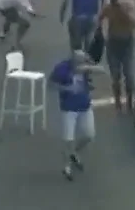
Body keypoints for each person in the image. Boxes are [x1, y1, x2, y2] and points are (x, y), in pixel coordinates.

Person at [50, 50, 108, 181]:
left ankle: (74, 152)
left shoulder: (86, 67)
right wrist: (66, 88)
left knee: (89, 135)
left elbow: (102, 70)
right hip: (69, 108)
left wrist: (88, 66)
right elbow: (51, 84)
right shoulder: (62, 68)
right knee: (68, 139)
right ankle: (67, 167)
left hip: (84, 106)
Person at [99, 0, 135, 111]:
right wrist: (99, 30)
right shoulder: (109, 9)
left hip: (125, 44)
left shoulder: (127, 12)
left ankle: (129, 102)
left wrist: (124, 14)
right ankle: (118, 102)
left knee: (128, 74)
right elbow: (100, 17)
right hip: (114, 43)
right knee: (116, 75)